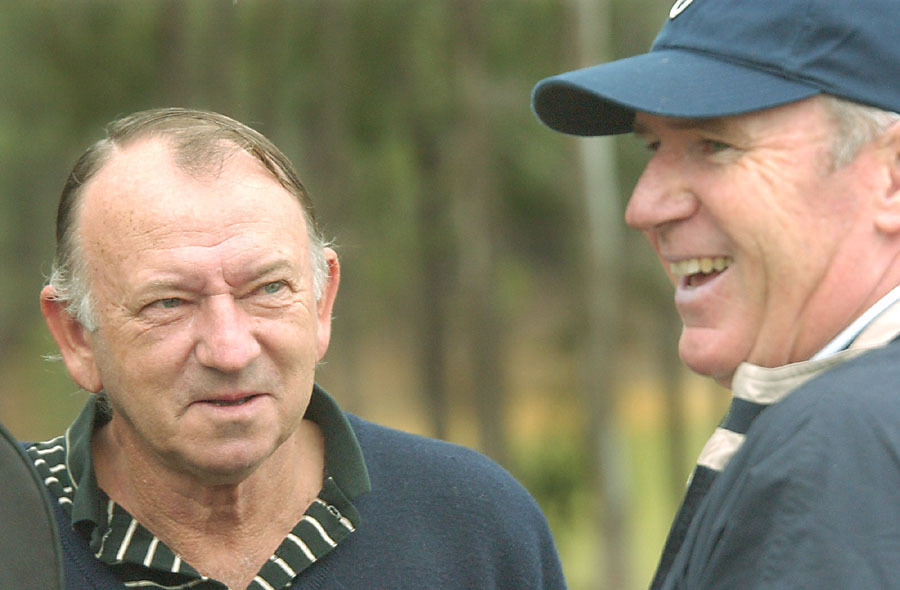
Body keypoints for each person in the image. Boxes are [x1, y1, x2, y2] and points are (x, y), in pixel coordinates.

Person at [30, 108, 567, 590]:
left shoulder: (474, 527)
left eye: (267, 289)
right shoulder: (14, 533)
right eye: (169, 302)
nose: (230, 350)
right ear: (77, 336)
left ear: (321, 302)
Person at [532, 0, 900, 588]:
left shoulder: (841, 446)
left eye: (715, 144)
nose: (642, 207)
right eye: (653, 147)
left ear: (892, 175)